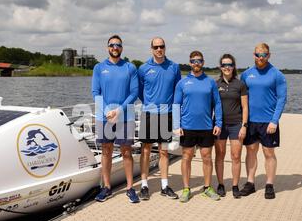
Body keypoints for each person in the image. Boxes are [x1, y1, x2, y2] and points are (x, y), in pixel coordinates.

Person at [91, 34, 140, 203]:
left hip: (124, 116)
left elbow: (134, 93)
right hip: (104, 116)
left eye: (118, 45)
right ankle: (107, 187)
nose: (115, 47)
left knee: (126, 151)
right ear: (107, 47)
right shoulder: (99, 68)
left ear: (122, 48)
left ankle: (130, 188)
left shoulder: (130, 67)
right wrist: (106, 110)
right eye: (112, 45)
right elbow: (96, 92)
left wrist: (119, 110)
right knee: (106, 151)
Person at [173, 51, 223, 202]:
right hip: (187, 127)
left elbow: (218, 104)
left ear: (203, 62)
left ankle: (207, 187)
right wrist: (176, 125)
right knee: (186, 157)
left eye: (199, 61)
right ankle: (186, 189)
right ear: (190, 62)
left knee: (207, 157)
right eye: (193, 61)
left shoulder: (210, 82)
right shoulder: (182, 83)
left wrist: (218, 123)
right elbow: (176, 104)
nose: (196, 63)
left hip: (207, 126)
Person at [239, 43, 287, 199]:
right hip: (251, 121)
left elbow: (282, 99)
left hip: (268, 122)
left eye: (264, 55)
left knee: (269, 153)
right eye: (258, 54)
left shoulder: (277, 74)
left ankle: (269, 184)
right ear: (253, 55)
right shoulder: (246, 74)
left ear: (269, 55)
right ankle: (250, 183)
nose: (261, 57)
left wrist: (274, 121)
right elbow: (242, 99)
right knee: (251, 151)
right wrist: (243, 122)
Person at [137, 37, 181, 200]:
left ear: (165, 48)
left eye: (161, 46)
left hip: (166, 114)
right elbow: (140, 92)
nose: (159, 49)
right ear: (151, 49)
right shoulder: (143, 68)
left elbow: (177, 91)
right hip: (149, 113)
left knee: (163, 151)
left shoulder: (174, 67)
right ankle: (144, 185)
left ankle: (164, 186)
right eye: (156, 47)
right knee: (146, 150)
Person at [214, 54, 248, 199]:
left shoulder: (240, 84)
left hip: (236, 124)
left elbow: (245, 107)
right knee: (220, 155)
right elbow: (211, 106)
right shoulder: (216, 84)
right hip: (220, 125)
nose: (226, 67)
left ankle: (235, 185)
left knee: (236, 156)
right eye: (224, 65)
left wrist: (244, 125)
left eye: (229, 65)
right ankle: (221, 184)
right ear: (220, 67)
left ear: (234, 66)